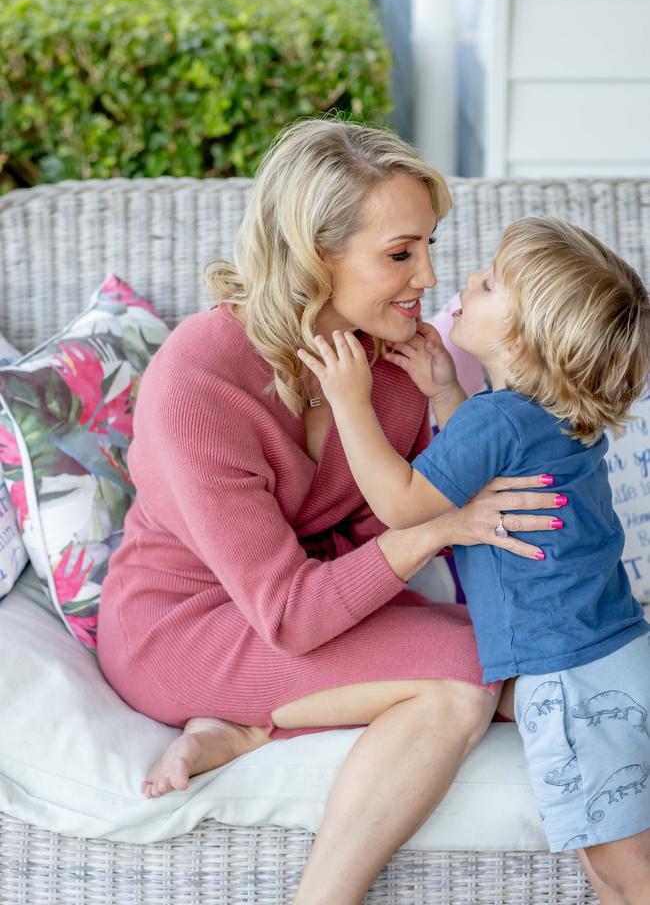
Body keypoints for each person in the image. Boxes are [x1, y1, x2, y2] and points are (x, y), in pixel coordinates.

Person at [97, 119, 564, 905]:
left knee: (523, 655)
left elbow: (380, 531)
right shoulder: (199, 385)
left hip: (315, 600)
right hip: (182, 625)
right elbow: (290, 610)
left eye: (429, 246)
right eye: (399, 253)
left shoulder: (398, 362)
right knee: (464, 678)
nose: (428, 277)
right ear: (316, 256)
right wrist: (438, 528)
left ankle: (246, 729)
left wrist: (446, 422)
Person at [297, 213, 650, 904]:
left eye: (488, 284)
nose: (465, 281)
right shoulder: (550, 416)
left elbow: (404, 504)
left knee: (623, 872)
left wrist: (349, 402)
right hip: (617, 651)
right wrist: (445, 393)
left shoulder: (498, 420)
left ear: (521, 337)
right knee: (610, 866)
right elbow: (490, 467)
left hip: (570, 683)